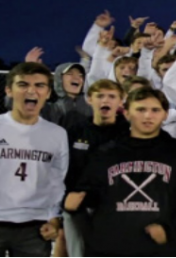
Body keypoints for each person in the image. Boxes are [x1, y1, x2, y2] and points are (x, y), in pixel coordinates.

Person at [62, 87, 176, 256]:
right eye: (140, 109)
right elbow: (90, 194)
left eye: (155, 110)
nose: (148, 116)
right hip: (110, 248)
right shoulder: (105, 153)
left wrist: (171, 228)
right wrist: (76, 202)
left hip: (161, 249)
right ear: (126, 113)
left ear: (165, 115)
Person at [0, 63, 68, 257]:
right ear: (9, 90)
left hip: (35, 227)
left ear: (48, 93)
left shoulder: (57, 134)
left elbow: (57, 181)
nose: (31, 90)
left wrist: (54, 218)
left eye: (39, 85)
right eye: (23, 84)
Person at [61, 79, 130, 257]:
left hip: (117, 208)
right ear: (89, 99)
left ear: (121, 101)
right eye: (100, 96)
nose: (105, 101)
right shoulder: (75, 131)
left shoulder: (129, 132)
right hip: (78, 207)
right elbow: (62, 169)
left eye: (112, 96)